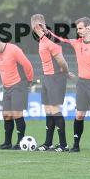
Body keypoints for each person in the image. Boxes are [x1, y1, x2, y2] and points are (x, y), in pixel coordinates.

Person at [42, 17, 90, 152]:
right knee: (79, 115)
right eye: (77, 28)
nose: (78, 31)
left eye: (80, 28)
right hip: (82, 83)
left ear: (88, 28)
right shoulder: (77, 43)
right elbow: (60, 40)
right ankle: (76, 145)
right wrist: (46, 31)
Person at [0, 35, 34, 149]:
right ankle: (7, 143)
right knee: (6, 115)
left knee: (17, 114)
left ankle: (20, 143)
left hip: (18, 85)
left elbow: (28, 65)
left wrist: (29, 80)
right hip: (6, 87)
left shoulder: (13, 50)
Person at [31, 14, 71, 151]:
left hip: (55, 78)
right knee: (48, 110)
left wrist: (66, 72)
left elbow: (61, 61)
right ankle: (48, 143)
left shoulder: (50, 42)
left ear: (36, 26)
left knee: (55, 110)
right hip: (47, 77)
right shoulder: (43, 40)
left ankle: (64, 145)